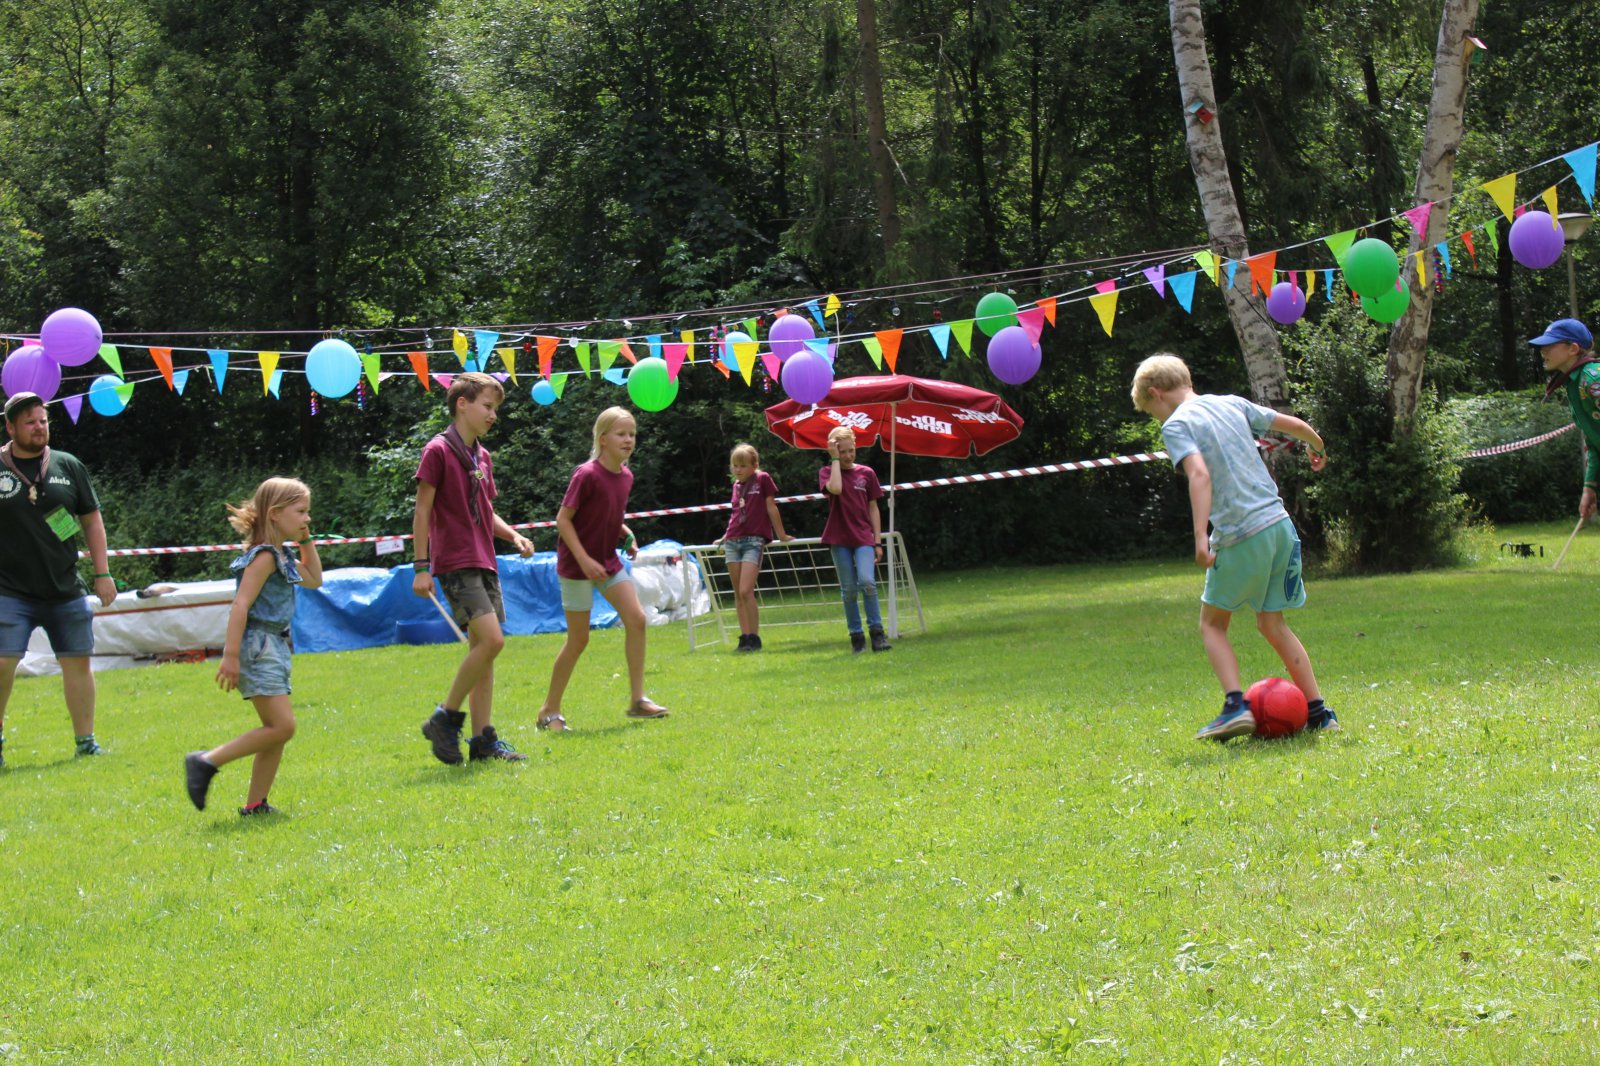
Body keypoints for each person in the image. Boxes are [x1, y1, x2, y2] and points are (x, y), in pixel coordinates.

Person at [1130, 353, 1338, 741]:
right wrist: (1318, 448)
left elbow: (1199, 473)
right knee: (1272, 622)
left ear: (1155, 394)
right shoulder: (1232, 403)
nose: (1157, 419)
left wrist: (1198, 538)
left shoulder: (1176, 424)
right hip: (1279, 526)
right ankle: (1320, 713)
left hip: (1241, 533)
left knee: (1212, 624)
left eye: (1151, 411)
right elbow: (1294, 425)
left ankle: (1234, 706)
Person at [414, 372, 536, 765]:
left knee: (484, 651)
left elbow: (486, 510)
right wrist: (421, 566)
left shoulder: (482, 456)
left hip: (485, 559)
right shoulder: (438, 450)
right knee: (493, 641)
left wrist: (512, 536)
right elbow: (422, 510)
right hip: (455, 561)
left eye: (496, 409)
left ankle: (483, 741)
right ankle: (445, 718)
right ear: (461, 405)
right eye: (487, 406)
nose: (493, 415)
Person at [184, 478, 323, 815]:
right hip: (258, 644)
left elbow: (315, 580)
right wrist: (230, 656)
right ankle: (205, 761)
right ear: (275, 514)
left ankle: (256, 804)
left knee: (275, 731)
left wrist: (307, 541)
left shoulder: (281, 554)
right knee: (282, 727)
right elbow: (240, 605)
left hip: (273, 644)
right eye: (300, 512)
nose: (307, 519)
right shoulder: (263, 557)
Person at [0, 391, 118, 768]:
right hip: (8, 590)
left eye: (43, 420)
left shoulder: (68, 465)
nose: (39, 427)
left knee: (77, 662)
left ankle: (86, 742)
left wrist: (103, 573)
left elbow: (92, 521)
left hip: (65, 587)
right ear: (10, 427)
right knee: (3, 661)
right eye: (30, 422)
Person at [535, 406, 669, 732]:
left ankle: (638, 700)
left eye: (632, 434)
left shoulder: (626, 476)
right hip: (575, 566)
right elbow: (564, 520)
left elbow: (608, 514)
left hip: (607, 563)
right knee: (579, 640)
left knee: (636, 619)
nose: (628, 440)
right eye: (621, 434)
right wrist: (583, 559)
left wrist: (626, 534)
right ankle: (548, 711)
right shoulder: (586, 474)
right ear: (603, 439)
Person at [715, 442, 794, 652]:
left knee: (746, 590)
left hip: (753, 541)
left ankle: (755, 637)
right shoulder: (736, 486)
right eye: (734, 466)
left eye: (742, 465)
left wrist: (781, 534)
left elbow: (770, 506)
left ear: (754, 465)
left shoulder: (762, 479)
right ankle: (744, 638)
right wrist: (725, 536)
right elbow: (736, 514)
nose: (738, 470)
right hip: (733, 541)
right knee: (737, 593)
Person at [820, 425, 890, 654]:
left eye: (851, 450)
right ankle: (856, 637)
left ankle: (877, 634)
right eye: (843, 452)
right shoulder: (828, 472)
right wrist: (835, 461)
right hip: (839, 539)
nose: (848, 455)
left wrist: (877, 541)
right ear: (833, 451)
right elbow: (837, 489)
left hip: (863, 538)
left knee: (867, 582)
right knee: (848, 589)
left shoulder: (867, 473)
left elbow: (874, 508)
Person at [1530, 317, 1599, 522]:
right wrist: (1590, 487)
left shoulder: (1593, 379)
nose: (1543, 351)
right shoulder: (1575, 384)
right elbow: (1595, 443)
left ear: (1573, 348)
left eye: (1550, 345)